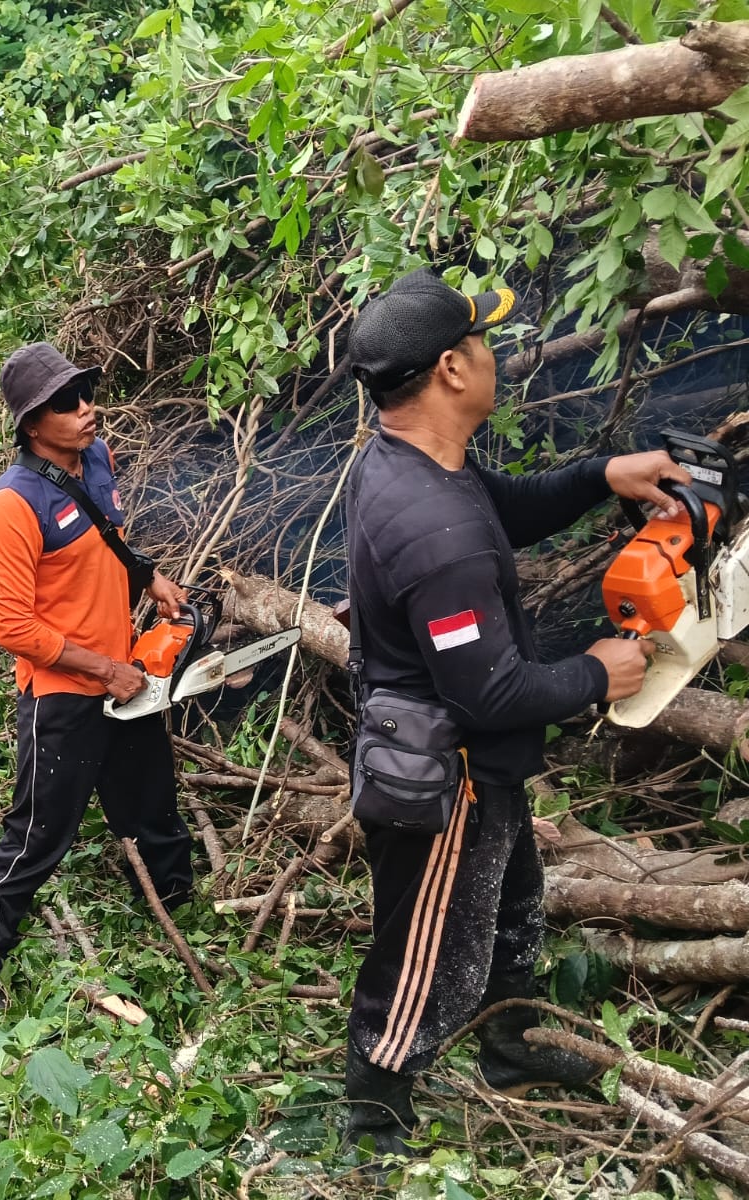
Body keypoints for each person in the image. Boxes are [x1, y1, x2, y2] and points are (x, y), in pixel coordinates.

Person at [340, 267, 690, 1171]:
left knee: (512, 903)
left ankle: (507, 1043)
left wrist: (600, 475)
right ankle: (371, 1113)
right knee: (424, 944)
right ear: (453, 369)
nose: (497, 354)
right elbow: (486, 692)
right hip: (440, 775)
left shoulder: (422, 464)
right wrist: (595, 672)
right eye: (486, 341)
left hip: (475, 762)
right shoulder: (429, 529)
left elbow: (502, 508)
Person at [0, 342, 196, 1025]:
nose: (87, 409)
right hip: (64, 692)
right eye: (67, 402)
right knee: (38, 832)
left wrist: (147, 574)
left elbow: (109, 540)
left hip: (126, 675)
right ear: (33, 423)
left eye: (87, 393)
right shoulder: (10, 504)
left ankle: (177, 913)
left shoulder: (97, 458)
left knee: (153, 805)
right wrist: (103, 668)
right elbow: (13, 627)